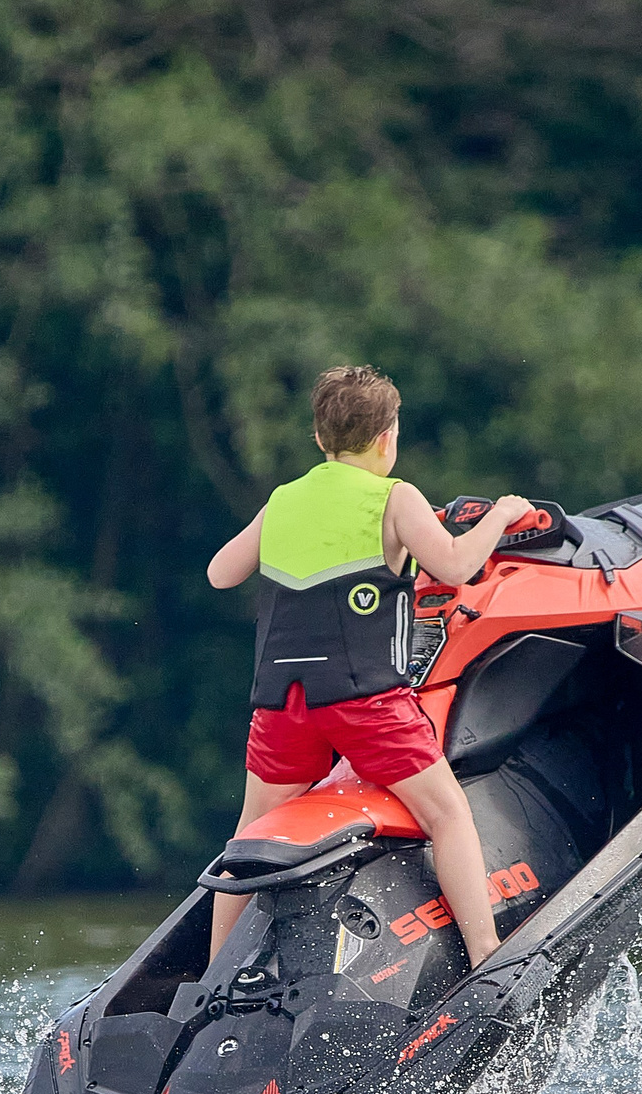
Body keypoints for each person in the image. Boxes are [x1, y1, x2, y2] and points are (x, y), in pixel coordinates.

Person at [205, 364, 532, 969]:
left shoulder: (284, 500)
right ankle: (486, 949)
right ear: (387, 437)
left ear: (319, 439)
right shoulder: (395, 496)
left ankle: (212, 969)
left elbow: (220, 573)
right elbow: (456, 566)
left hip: (283, 706)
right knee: (446, 812)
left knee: (248, 831)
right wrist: (500, 516)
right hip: (366, 706)